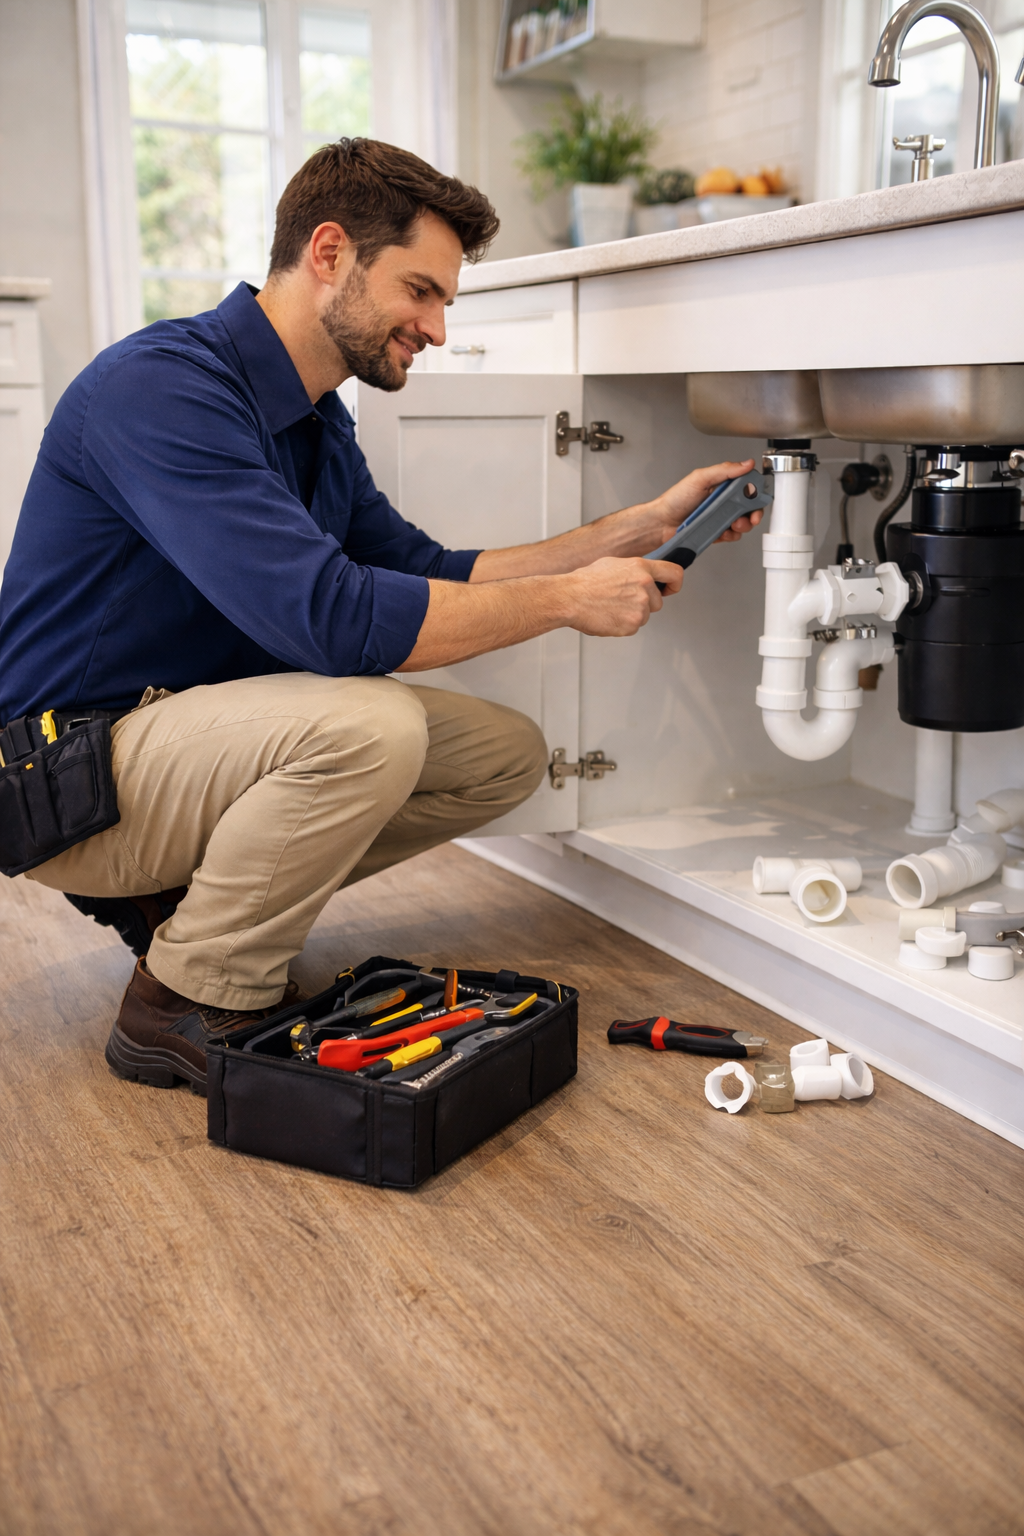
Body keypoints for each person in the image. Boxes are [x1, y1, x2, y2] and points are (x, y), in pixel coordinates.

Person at [0, 138, 759, 1096]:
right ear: (329, 254)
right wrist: (568, 603)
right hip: (61, 782)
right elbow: (335, 622)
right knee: (373, 723)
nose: (435, 327)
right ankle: (179, 1003)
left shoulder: (318, 418)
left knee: (504, 755)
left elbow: (423, 569)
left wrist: (635, 528)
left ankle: (188, 915)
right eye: (421, 291)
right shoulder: (164, 390)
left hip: (166, 746)